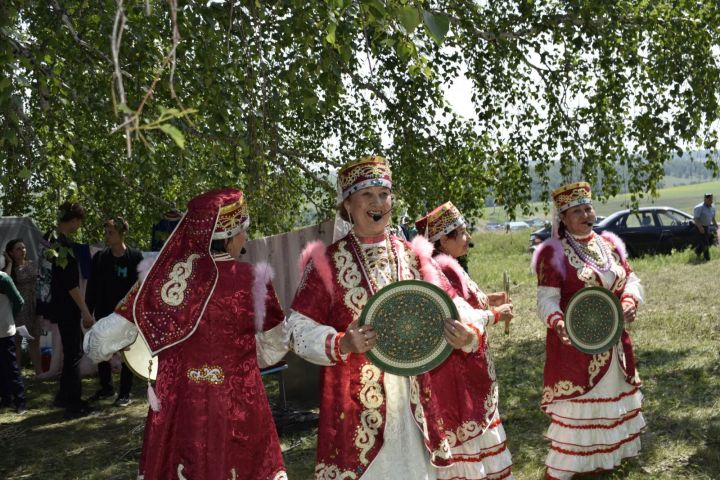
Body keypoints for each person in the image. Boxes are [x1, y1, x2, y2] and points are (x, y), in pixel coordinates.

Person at [286, 155, 502, 479]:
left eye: (383, 194)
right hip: (356, 402)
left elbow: (455, 304)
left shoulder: (413, 255)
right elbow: (296, 328)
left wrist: (469, 333)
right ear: (347, 204)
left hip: (415, 396)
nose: (378, 203)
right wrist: (342, 342)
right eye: (367, 195)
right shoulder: (327, 263)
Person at [84, 188, 288, 480]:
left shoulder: (160, 283)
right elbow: (275, 347)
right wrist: (236, 357)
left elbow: (97, 343)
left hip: (179, 407)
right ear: (229, 236)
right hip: (237, 405)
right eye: (243, 231)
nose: (245, 239)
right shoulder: (253, 280)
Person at [531, 182, 645, 479]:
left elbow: (630, 278)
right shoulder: (553, 253)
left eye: (588, 208)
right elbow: (546, 299)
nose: (586, 214)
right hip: (576, 347)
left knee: (609, 409)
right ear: (563, 218)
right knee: (581, 415)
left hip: (614, 343)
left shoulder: (608, 244)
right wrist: (558, 323)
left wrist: (631, 300)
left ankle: (602, 464)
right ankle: (570, 470)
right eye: (577, 211)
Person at [415, 201, 515, 479]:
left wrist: (490, 300)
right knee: (466, 430)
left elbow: (469, 300)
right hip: (456, 370)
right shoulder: (442, 270)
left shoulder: (450, 266)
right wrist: (495, 314)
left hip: (468, 361)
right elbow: (461, 317)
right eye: (461, 233)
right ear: (443, 241)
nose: (468, 239)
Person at [85, 217, 143, 406]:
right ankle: (106, 388)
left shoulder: (135, 257)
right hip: (104, 312)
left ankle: (125, 392)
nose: (107, 236)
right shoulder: (100, 258)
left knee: (127, 350)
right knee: (102, 349)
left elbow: (141, 286)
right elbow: (92, 286)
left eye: (111, 232)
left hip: (127, 314)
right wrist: (88, 310)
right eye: (106, 232)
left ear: (122, 234)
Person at [49, 201, 95, 418]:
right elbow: (70, 284)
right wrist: (85, 310)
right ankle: (73, 402)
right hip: (67, 307)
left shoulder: (53, 241)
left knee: (70, 352)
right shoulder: (63, 246)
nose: (79, 225)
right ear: (75, 220)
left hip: (60, 306)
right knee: (74, 353)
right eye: (79, 221)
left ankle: (64, 396)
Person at [3, 239, 42, 375]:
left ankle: (39, 372)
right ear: (11, 253)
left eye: (24, 248)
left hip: (34, 306)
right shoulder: (10, 269)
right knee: (17, 342)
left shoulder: (32, 264)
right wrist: (9, 262)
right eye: (18, 249)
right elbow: (4, 280)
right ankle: (16, 374)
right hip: (19, 308)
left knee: (35, 340)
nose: (23, 250)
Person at [0, 270, 27, 414]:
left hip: (4, 329)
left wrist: (9, 317)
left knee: (11, 366)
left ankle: (20, 402)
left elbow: (19, 301)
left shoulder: (3, 279)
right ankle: (5, 398)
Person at [693, 193, 717, 261]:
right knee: (705, 243)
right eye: (709, 199)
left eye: (712, 199)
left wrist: (716, 225)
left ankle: (697, 252)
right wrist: (700, 227)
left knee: (705, 242)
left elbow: (712, 217)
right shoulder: (699, 207)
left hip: (707, 227)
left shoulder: (713, 207)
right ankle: (707, 258)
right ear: (705, 199)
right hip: (699, 227)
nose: (711, 201)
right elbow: (696, 219)